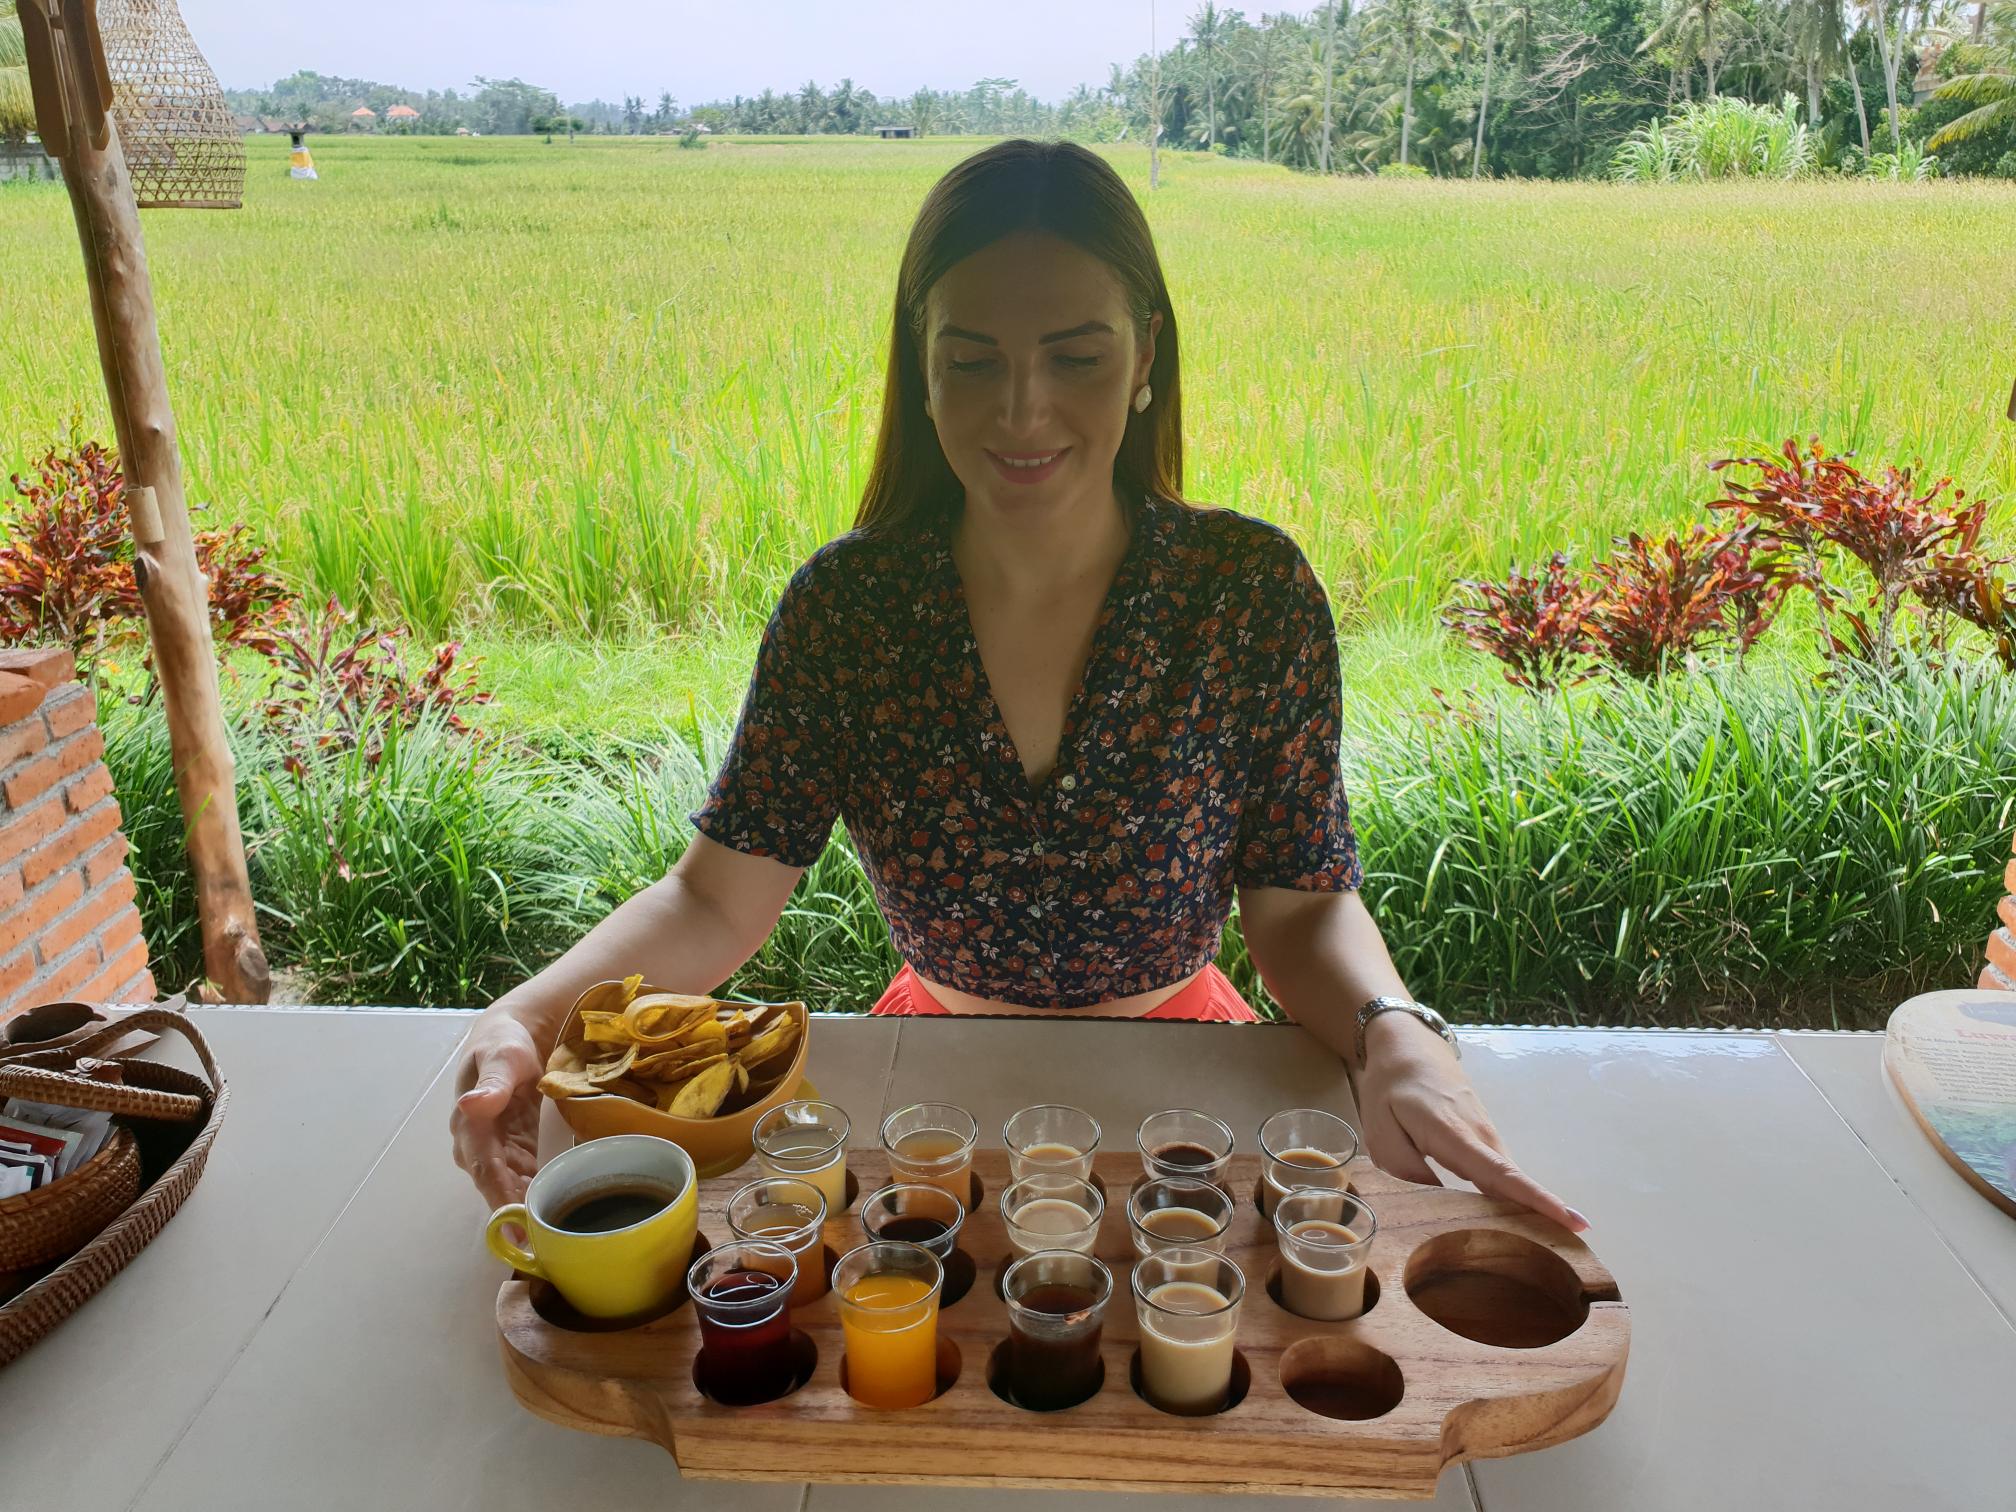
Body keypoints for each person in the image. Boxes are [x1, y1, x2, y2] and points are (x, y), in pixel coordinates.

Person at [452, 140, 1586, 1236]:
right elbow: (716, 900)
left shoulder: (1245, 593)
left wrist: (1396, 1033)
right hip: (935, 1086)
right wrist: (524, 1017)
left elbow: (1299, 905)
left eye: (1076, 357)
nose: (1022, 410)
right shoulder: (851, 612)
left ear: (1146, 357)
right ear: (922, 364)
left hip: (1190, 1082)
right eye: (975, 360)